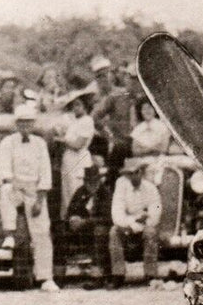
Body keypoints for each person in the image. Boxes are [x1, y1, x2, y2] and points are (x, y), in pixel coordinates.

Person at [0, 102, 60, 291]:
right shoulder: (7, 143)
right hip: (14, 188)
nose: (25, 126)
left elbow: (45, 172)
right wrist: (13, 188)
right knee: (5, 191)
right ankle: (9, 233)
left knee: (42, 232)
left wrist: (39, 199)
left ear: (33, 125)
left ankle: (45, 278)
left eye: (28, 123)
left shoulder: (40, 144)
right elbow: (4, 169)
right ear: (16, 125)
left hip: (34, 191)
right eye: (21, 123)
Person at [109, 157, 162, 287]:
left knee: (150, 232)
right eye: (129, 174)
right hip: (127, 226)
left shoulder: (151, 188)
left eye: (136, 172)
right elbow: (117, 213)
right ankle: (118, 274)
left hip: (145, 226)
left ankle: (150, 274)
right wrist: (132, 222)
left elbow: (155, 213)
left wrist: (141, 223)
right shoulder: (121, 186)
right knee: (114, 232)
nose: (133, 176)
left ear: (141, 172)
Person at [90, 55, 134, 184]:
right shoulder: (100, 97)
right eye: (99, 76)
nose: (103, 79)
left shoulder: (123, 93)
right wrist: (108, 135)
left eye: (106, 74)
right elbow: (94, 118)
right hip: (116, 142)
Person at [58, 90, 95, 212]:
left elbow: (78, 145)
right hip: (69, 160)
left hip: (80, 160)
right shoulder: (73, 122)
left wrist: (62, 140)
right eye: (74, 105)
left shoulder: (87, 120)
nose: (76, 108)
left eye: (78, 104)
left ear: (85, 106)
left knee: (77, 191)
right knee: (67, 194)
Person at [129, 97, 171, 182]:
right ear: (141, 112)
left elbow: (163, 149)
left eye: (150, 108)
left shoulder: (163, 127)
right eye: (144, 109)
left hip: (160, 159)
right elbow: (135, 151)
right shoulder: (138, 129)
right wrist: (153, 148)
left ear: (155, 110)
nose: (147, 111)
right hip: (142, 161)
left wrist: (144, 149)